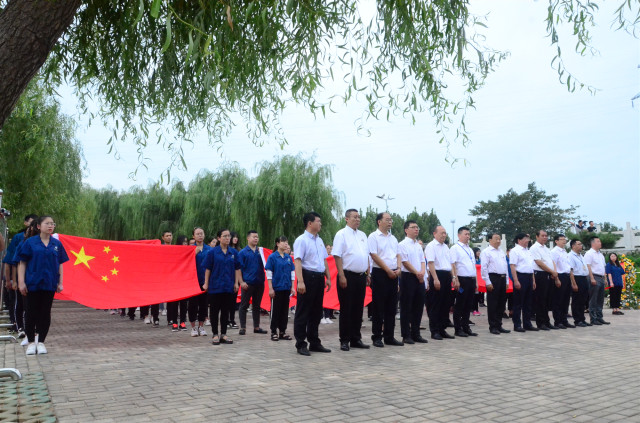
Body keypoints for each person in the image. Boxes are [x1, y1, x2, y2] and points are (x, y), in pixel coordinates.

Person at [16, 215, 69, 355]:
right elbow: (22, 263)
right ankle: (31, 342)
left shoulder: (56, 244)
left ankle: (41, 342)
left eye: (52, 223)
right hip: (32, 283)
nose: (50, 226)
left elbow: (60, 264)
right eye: (47, 223)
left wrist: (60, 282)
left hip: (49, 283)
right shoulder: (30, 243)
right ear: (39, 226)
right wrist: (21, 282)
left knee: (45, 313)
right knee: (31, 312)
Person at [293, 212, 332, 356]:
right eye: (318, 221)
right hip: (307, 276)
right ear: (310, 223)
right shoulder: (301, 240)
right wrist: (300, 281)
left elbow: (324, 260)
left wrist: (328, 277)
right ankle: (301, 343)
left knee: (316, 312)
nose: (320, 224)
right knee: (303, 312)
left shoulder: (319, 240)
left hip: (319, 278)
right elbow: (298, 261)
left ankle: (314, 342)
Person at [332, 209, 371, 351]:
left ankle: (356, 338)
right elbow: (337, 255)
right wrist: (341, 275)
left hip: (361, 276)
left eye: (359, 217)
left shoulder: (362, 235)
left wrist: (368, 274)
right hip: (347, 276)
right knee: (346, 309)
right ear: (347, 219)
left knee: (358, 309)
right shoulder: (341, 234)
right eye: (354, 217)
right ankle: (345, 340)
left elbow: (366, 255)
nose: (358, 219)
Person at [368, 212, 403, 347]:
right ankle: (377, 336)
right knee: (379, 306)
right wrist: (387, 270)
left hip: (394, 273)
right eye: (387, 219)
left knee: (391, 306)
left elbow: (398, 254)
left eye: (391, 220)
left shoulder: (393, 238)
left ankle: (389, 336)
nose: (390, 222)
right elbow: (374, 255)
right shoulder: (373, 236)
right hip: (380, 273)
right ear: (379, 221)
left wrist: (398, 268)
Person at [202, 229, 241, 345]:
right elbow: (208, 269)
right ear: (219, 238)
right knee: (214, 311)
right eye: (225, 236)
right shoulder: (212, 252)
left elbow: (237, 268)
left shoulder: (233, 252)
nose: (227, 238)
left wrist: (236, 283)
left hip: (228, 286)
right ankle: (215, 334)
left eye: (229, 236)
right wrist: (206, 283)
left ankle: (223, 334)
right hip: (215, 286)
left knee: (225, 311)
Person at [398, 220, 428, 344]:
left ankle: (416, 333)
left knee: (418, 306)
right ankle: (406, 335)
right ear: (406, 230)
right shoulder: (402, 244)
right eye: (413, 227)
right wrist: (417, 273)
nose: (416, 229)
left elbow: (423, 261)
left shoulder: (418, 245)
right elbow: (404, 262)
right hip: (408, 277)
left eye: (417, 227)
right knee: (406, 307)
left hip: (419, 278)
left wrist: (422, 272)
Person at [425, 225, 458, 340]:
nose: (444, 235)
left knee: (445, 304)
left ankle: (442, 329)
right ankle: (434, 331)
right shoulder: (431, 246)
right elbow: (430, 263)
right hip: (437, 275)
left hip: (447, 275)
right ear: (434, 233)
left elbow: (450, 263)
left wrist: (453, 276)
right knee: (436, 304)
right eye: (441, 233)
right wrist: (435, 279)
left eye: (445, 233)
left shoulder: (446, 247)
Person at [265, 236, 296, 341]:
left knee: (284, 311)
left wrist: (292, 286)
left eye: (286, 242)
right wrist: (270, 288)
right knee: (275, 310)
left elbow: (292, 272)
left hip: (286, 287)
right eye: (283, 242)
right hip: (276, 288)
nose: (285, 244)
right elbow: (269, 273)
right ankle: (273, 331)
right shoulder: (272, 257)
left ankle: (282, 331)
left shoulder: (288, 258)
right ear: (277, 244)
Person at [237, 230, 268, 335]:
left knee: (257, 306)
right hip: (248, 283)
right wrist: (241, 282)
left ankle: (256, 327)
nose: (256, 239)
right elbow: (238, 269)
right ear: (248, 238)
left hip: (259, 282)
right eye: (254, 237)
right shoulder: (243, 252)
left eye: (257, 237)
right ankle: (243, 327)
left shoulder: (260, 252)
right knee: (244, 305)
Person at [449, 226, 478, 337]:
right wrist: (455, 278)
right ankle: (458, 329)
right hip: (462, 279)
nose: (468, 236)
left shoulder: (470, 249)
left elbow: (473, 266)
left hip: (471, 279)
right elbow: (452, 264)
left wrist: (475, 281)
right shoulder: (455, 248)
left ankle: (466, 327)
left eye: (469, 234)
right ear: (459, 235)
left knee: (468, 305)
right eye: (465, 234)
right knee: (460, 304)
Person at [480, 233, 510, 335]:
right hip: (493, 278)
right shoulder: (486, 252)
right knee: (493, 304)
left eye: (499, 239)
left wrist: (507, 281)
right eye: (496, 239)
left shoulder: (501, 251)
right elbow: (484, 268)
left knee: (501, 303)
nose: (498, 241)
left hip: (502, 278)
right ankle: (492, 326)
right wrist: (488, 282)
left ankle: (499, 325)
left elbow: (505, 267)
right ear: (490, 240)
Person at [509, 233, 538, 332]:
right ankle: (517, 325)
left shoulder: (528, 251)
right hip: (520, 277)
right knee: (518, 303)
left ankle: (527, 323)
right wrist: (516, 280)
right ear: (519, 240)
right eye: (525, 238)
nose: (528, 240)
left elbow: (531, 267)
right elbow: (512, 266)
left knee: (528, 302)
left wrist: (533, 280)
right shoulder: (515, 251)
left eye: (528, 239)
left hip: (529, 277)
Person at [530, 230, 559, 330]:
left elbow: (551, 261)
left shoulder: (546, 248)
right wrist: (552, 271)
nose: (545, 237)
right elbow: (539, 262)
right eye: (542, 236)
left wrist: (554, 272)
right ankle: (541, 322)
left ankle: (547, 321)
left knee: (547, 300)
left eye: (546, 236)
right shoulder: (534, 248)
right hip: (540, 274)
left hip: (549, 274)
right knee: (540, 300)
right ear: (537, 236)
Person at [188, 227, 210, 336]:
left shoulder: (209, 249)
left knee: (203, 305)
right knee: (192, 305)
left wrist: (208, 282)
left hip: (205, 281)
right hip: (192, 282)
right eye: (197, 234)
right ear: (193, 236)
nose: (200, 235)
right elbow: (185, 263)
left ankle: (201, 326)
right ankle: (193, 327)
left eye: (201, 233)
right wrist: (193, 254)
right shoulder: (190, 249)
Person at [583, 237, 609, 326]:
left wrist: (605, 279)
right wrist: (591, 278)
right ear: (593, 243)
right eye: (598, 241)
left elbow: (603, 267)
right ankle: (593, 318)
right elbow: (588, 266)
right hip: (594, 276)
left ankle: (599, 317)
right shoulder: (589, 253)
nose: (600, 243)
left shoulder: (600, 254)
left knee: (600, 299)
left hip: (601, 277)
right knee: (593, 299)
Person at [551, 234, 574, 328]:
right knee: (558, 300)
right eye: (562, 239)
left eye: (565, 239)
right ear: (556, 241)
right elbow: (553, 265)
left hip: (567, 276)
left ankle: (564, 320)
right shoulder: (554, 252)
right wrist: (556, 278)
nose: (564, 241)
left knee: (566, 299)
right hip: (560, 276)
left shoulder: (564, 251)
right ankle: (558, 321)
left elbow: (568, 266)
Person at [167, 234, 189, 332]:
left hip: (184, 282)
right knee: (174, 304)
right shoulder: (174, 251)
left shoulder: (188, 252)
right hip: (174, 282)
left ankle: (183, 322)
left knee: (183, 304)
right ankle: (174, 322)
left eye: (186, 242)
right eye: (184, 242)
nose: (185, 244)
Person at [568, 239, 590, 327]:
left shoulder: (581, 255)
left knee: (583, 300)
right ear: (573, 246)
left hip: (583, 278)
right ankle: (577, 320)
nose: (581, 245)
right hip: (576, 278)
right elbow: (571, 271)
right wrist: (574, 283)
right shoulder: (570, 256)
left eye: (581, 244)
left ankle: (582, 319)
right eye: (579, 244)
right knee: (577, 300)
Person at [228, 231, 241, 329]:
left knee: (233, 301)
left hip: (235, 278)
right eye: (234, 237)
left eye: (237, 237)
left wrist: (238, 281)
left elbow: (239, 267)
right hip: (226, 278)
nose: (235, 239)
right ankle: (225, 319)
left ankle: (232, 319)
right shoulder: (225, 250)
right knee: (225, 301)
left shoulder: (238, 251)